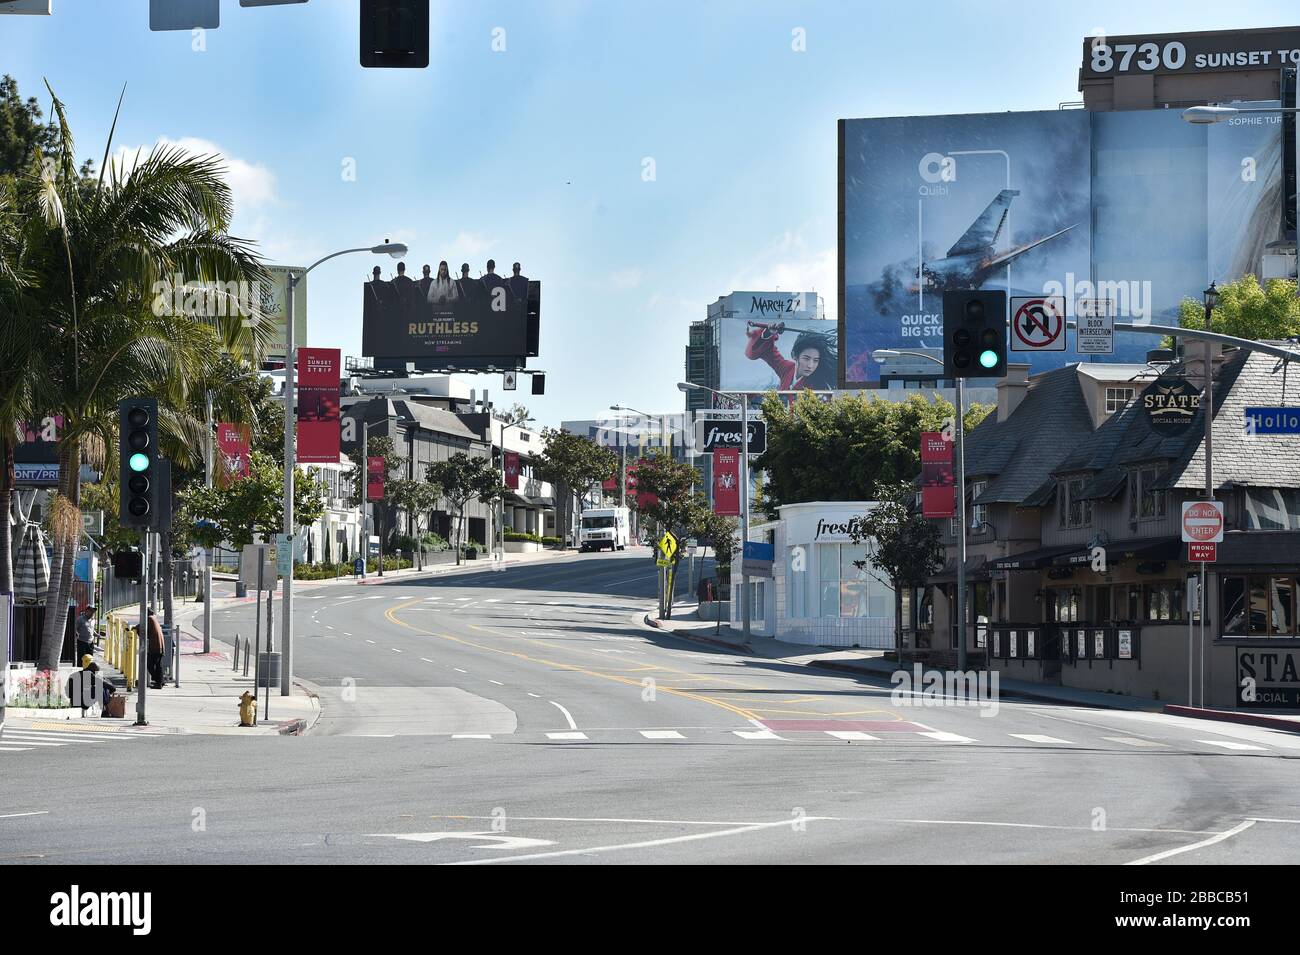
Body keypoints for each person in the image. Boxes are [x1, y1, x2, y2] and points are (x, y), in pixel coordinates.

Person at [744, 321, 838, 391]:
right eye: (806, 358)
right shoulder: (787, 368)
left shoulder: (818, 384)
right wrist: (769, 332)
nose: (810, 365)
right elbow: (765, 352)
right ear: (794, 355)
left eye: (815, 360)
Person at [145, 608, 165, 690]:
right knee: (158, 665)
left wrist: (136, 628)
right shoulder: (154, 618)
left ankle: (159, 681)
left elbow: (144, 628)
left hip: (155, 646)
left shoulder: (149, 619)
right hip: (160, 646)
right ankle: (160, 681)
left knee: (150, 665)